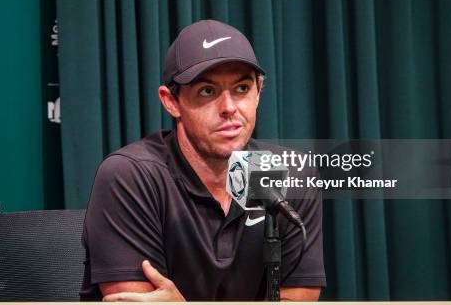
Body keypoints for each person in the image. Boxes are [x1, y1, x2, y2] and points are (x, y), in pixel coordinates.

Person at [80, 20, 325, 301]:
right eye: (207, 91)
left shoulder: (289, 171)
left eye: (242, 89)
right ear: (171, 101)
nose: (229, 108)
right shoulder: (130, 176)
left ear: (259, 92)